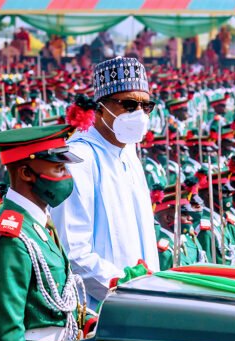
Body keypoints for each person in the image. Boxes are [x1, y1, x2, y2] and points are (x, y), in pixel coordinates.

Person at [0, 124, 91, 341]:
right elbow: (7, 340)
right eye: (59, 168)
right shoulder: (10, 235)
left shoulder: (37, 222)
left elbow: (55, 302)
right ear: (26, 173)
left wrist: (89, 321)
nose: (67, 177)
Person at [51, 57, 159, 307]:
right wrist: (125, 289)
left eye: (146, 106)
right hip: (102, 307)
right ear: (99, 108)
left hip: (144, 297)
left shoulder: (129, 151)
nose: (139, 114)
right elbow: (74, 252)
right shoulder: (78, 158)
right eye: (129, 105)